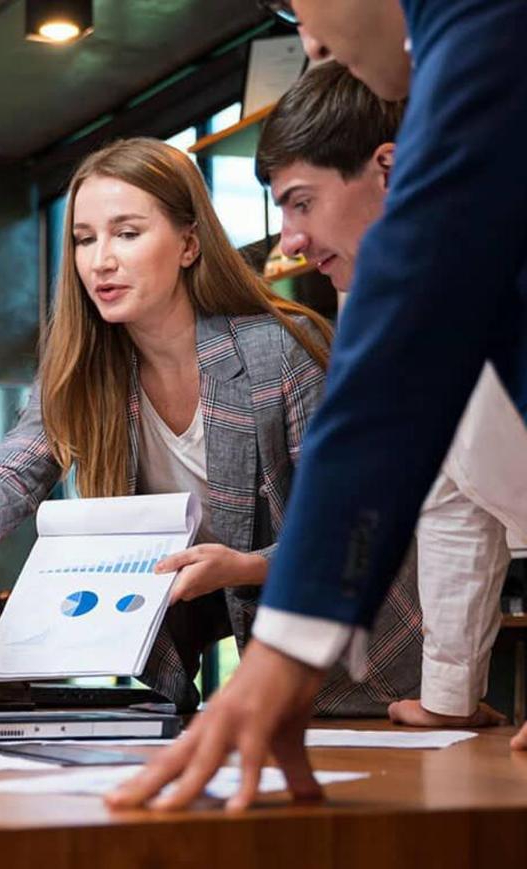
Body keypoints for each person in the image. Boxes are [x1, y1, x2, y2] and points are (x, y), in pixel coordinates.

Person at [108, 0, 527, 812]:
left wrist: (284, 649)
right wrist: (445, 696)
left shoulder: (484, 26)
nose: (306, 38)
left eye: (299, 2)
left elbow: (393, 371)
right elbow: (449, 511)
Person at [0, 136, 422, 715]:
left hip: (359, 667)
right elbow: (16, 468)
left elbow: (357, 525)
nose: (101, 259)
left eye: (127, 233)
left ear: (188, 244)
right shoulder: (85, 369)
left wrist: (250, 566)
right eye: (84, 239)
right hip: (225, 681)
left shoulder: (277, 352)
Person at [256, 60, 527, 729]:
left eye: (302, 202)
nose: (290, 241)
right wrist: (447, 698)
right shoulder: (375, 302)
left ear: (388, 168)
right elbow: (450, 501)